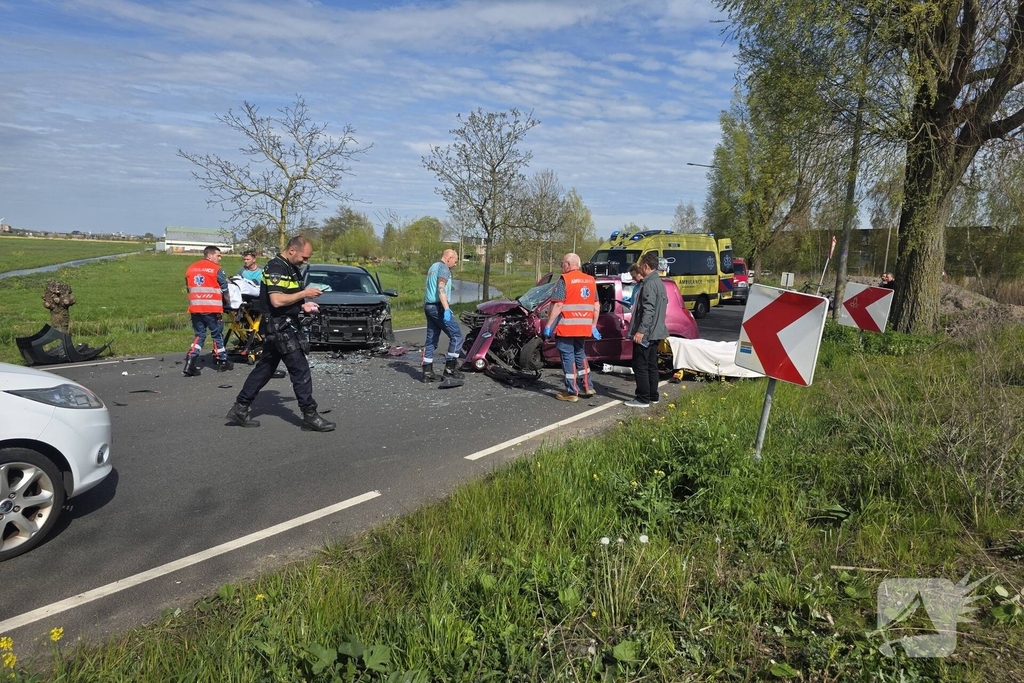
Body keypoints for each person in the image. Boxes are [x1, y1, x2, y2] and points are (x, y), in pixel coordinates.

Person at [226, 236, 335, 432]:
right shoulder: (276, 268)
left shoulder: (291, 268)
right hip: (279, 328)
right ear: (292, 250)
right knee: (300, 370)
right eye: (304, 257)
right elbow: (276, 300)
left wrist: (303, 305)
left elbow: (287, 297)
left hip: (279, 326)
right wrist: (305, 294)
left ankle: (240, 407)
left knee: (266, 368)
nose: (305, 261)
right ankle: (309, 415)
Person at [544, 253, 601, 402]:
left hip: (567, 327)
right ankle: (588, 387)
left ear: (568, 264)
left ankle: (572, 391)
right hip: (583, 327)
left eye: (562, 263)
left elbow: (558, 305)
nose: (561, 266)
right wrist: (593, 325)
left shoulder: (565, 280)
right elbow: (596, 305)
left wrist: (549, 325)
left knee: (567, 356)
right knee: (580, 354)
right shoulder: (590, 280)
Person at [626, 251, 669, 408]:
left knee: (640, 365)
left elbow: (648, 310)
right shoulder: (660, 283)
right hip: (656, 332)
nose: (640, 270)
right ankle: (653, 395)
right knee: (652, 364)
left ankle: (642, 397)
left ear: (645, 266)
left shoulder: (649, 284)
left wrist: (641, 331)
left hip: (647, 333)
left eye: (641, 266)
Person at [183, 245, 231, 377]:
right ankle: (222, 361)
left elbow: (188, 287)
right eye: (218, 255)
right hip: (212, 307)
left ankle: (190, 362)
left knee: (199, 334)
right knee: (217, 334)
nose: (219, 258)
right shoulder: (216, 270)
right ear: (209, 255)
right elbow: (225, 290)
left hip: (195, 307)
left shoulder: (191, 268)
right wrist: (228, 304)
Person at [421, 249, 464, 383]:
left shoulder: (433, 267)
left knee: (431, 340)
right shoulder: (444, 268)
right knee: (456, 336)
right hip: (438, 307)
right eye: (455, 261)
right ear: (449, 258)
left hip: (428, 305)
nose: (455, 264)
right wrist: (446, 309)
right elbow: (441, 289)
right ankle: (450, 370)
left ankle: (427, 372)